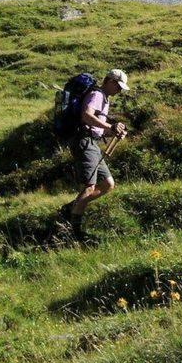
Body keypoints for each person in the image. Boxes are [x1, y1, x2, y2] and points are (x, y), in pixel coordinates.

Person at [58, 69, 129, 241]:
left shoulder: (105, 99)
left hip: (92, 142)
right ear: (109, 81)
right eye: (118, 86)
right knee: (89, 187)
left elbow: (97, 127)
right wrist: (110, 127)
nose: (119, 91)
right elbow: (86, 116)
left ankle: (70, 209)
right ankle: (72, 232)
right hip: (84, 141)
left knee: (107, 184)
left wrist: (113, 131)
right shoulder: (97, 94)